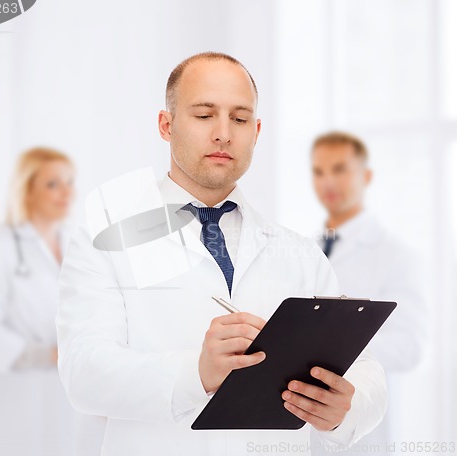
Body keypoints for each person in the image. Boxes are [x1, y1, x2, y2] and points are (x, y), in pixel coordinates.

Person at [56, 52, 388, 456]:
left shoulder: (298, 252)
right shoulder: (103, 239)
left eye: (240, 118)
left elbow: (365, 367)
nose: (223, 134)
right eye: (203, 115)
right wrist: (196, 373)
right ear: (166, 124)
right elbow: (83, 374)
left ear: (257, 131)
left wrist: (344, 410)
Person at [310, 131, 427, 454]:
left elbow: (410, 346)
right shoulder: (306, 249)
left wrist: (335, 347)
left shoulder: (396, 254)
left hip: (365, 429)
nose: (328, 182)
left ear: (367, 175)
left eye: (340, 169)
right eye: (319, 172)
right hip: (308, 422)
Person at [0, 147, 80, 456]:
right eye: (53, 184)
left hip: (70, 401)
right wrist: (44, 355)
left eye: (69, 181)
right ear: (26, 191)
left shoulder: (75, 244)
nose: (66, 192)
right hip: (20, 399)